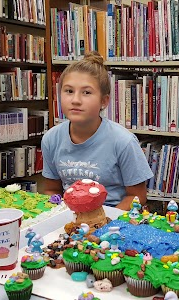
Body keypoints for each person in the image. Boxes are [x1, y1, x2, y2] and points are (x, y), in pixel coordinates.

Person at [41, 51, 153, 210]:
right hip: (70, 219)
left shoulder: (123, 141)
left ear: (104, 101)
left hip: (112, 222)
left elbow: (137, 196)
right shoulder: (51, 139)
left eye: (86, 92)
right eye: (69, 91)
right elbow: (51, 190)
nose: (75, 100)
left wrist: (103, 223)